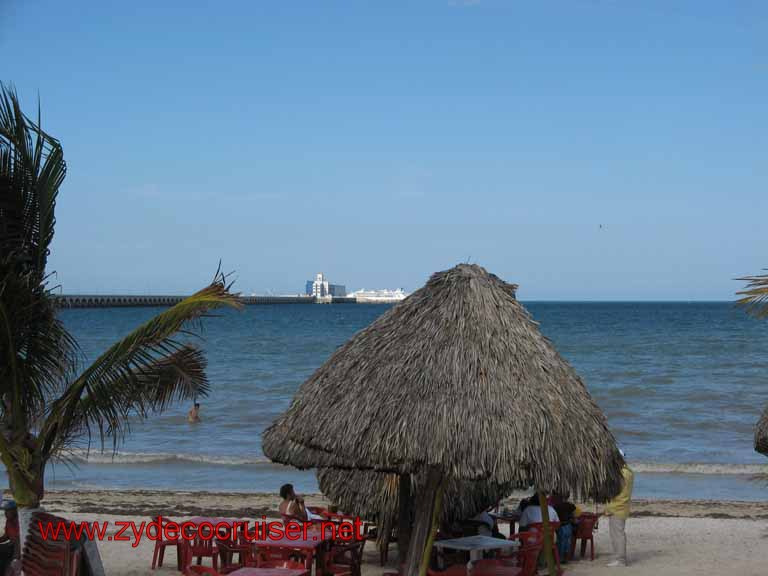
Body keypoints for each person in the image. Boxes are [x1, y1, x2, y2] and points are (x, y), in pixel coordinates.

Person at [604, 451, 634, 567]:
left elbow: (615, 490)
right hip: (620, 506)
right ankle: (618, 557)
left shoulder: (622, 473)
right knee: (617, 534)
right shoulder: (627, 472)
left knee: (618, 534)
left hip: (618, 507)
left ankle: (620, 560)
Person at [551, 492, 577, 563]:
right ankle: (566, 558)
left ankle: (560, 558)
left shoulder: (556, 506)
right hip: (568, 525)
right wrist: (575, 522)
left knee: (560, 542)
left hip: (560, 526)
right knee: (567, 542)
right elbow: (574, 517)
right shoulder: (571, 505)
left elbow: (554, 518)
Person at [0, 500, 19, 576]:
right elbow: (6, 536)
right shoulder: (9, 521)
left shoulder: (19, 521)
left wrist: (15, 557)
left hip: (17, 549)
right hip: (10, 546)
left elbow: (18, 540)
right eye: (5, 511)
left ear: (15, 510)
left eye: (7, 511)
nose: (5, 513)